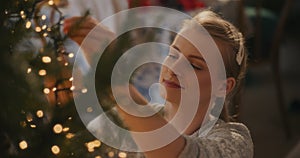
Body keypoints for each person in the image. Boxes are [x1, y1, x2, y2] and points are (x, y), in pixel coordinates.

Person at [72, 9, 254, 158]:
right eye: (173, 55)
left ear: (223, 86)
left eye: (194, 65)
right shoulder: (126, 121)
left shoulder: (235, 141)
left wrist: (115, 78)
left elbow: (181, 154)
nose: (173, 68)